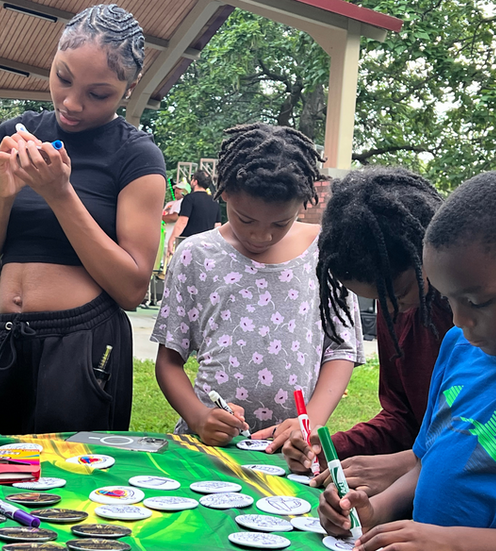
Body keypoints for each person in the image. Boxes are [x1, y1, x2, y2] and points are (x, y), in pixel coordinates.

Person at [319, 170, 496, 550]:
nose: (458, 321)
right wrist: (374, 510)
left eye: (477, 302)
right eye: (447, 299)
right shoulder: (459, 345)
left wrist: (455, 542)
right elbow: (429, 459)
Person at [0, 5, 167, 435]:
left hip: (81, 346)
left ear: (128, 88)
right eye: (63, 77)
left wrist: (60, 195)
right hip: (3, 337)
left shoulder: (136, 155)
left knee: (64, 490)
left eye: (98, 93)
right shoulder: (17, 134)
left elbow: (132, 288)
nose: (72, 102)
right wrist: (3, 198)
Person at [151, 123, 364, 446]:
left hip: (292, 450)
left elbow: (340, 348)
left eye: (280, 222)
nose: (260, 235)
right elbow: (169, 360)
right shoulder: (196, 255)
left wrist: (310, 422)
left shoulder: (325, 253)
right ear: (224, 195)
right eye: (245, 219)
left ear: (303, 203)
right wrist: (198, 417)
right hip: (211, 446)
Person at [278, 167, 454, 496]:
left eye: (398, 295)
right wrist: (332, 447)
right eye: (376, 301)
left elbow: (493, 437)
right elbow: (404, 418)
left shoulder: (479, 323)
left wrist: (408, 466)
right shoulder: (394, 308)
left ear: (424, 254)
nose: (393, 311)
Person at [166, 170, 221, 257]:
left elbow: (182, 222)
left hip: (189, 243)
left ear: (195, 182)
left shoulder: (189, 198)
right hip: (206, 245)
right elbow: (217, 226)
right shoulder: (214, 201)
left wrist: (172, 239)